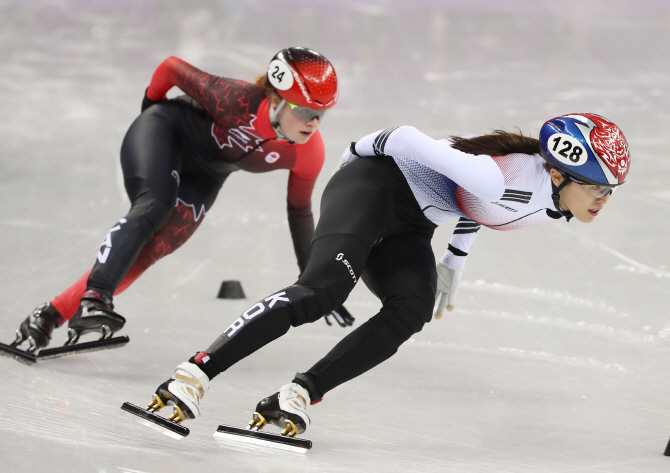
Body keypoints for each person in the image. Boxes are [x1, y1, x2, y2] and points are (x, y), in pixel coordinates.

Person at [136, 113, 630, 438]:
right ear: (563, 173)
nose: (604, 201)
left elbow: (480, 212)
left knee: (411, 310)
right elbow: (408, 139)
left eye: (611, 192)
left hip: (412, 224)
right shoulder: (499, 176)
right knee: (322, 292)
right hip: (373, 186)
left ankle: (297, 394)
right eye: (599, 189)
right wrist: (356, 157)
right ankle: (193, 373)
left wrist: (452, 264)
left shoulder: (552, 205)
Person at [9, 46, 354, 355]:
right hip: (166, 132)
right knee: (155, 205)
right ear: (276, 100)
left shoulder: (309, 153)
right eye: (305, 109)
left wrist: (313, 281)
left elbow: (299, 211)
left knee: (154, 248)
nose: (313, 122)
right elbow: (171, 68)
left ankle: (50, 315)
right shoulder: (234, 98)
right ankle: (96, 296)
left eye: (322, 113)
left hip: (206, 174)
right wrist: (148, 112)